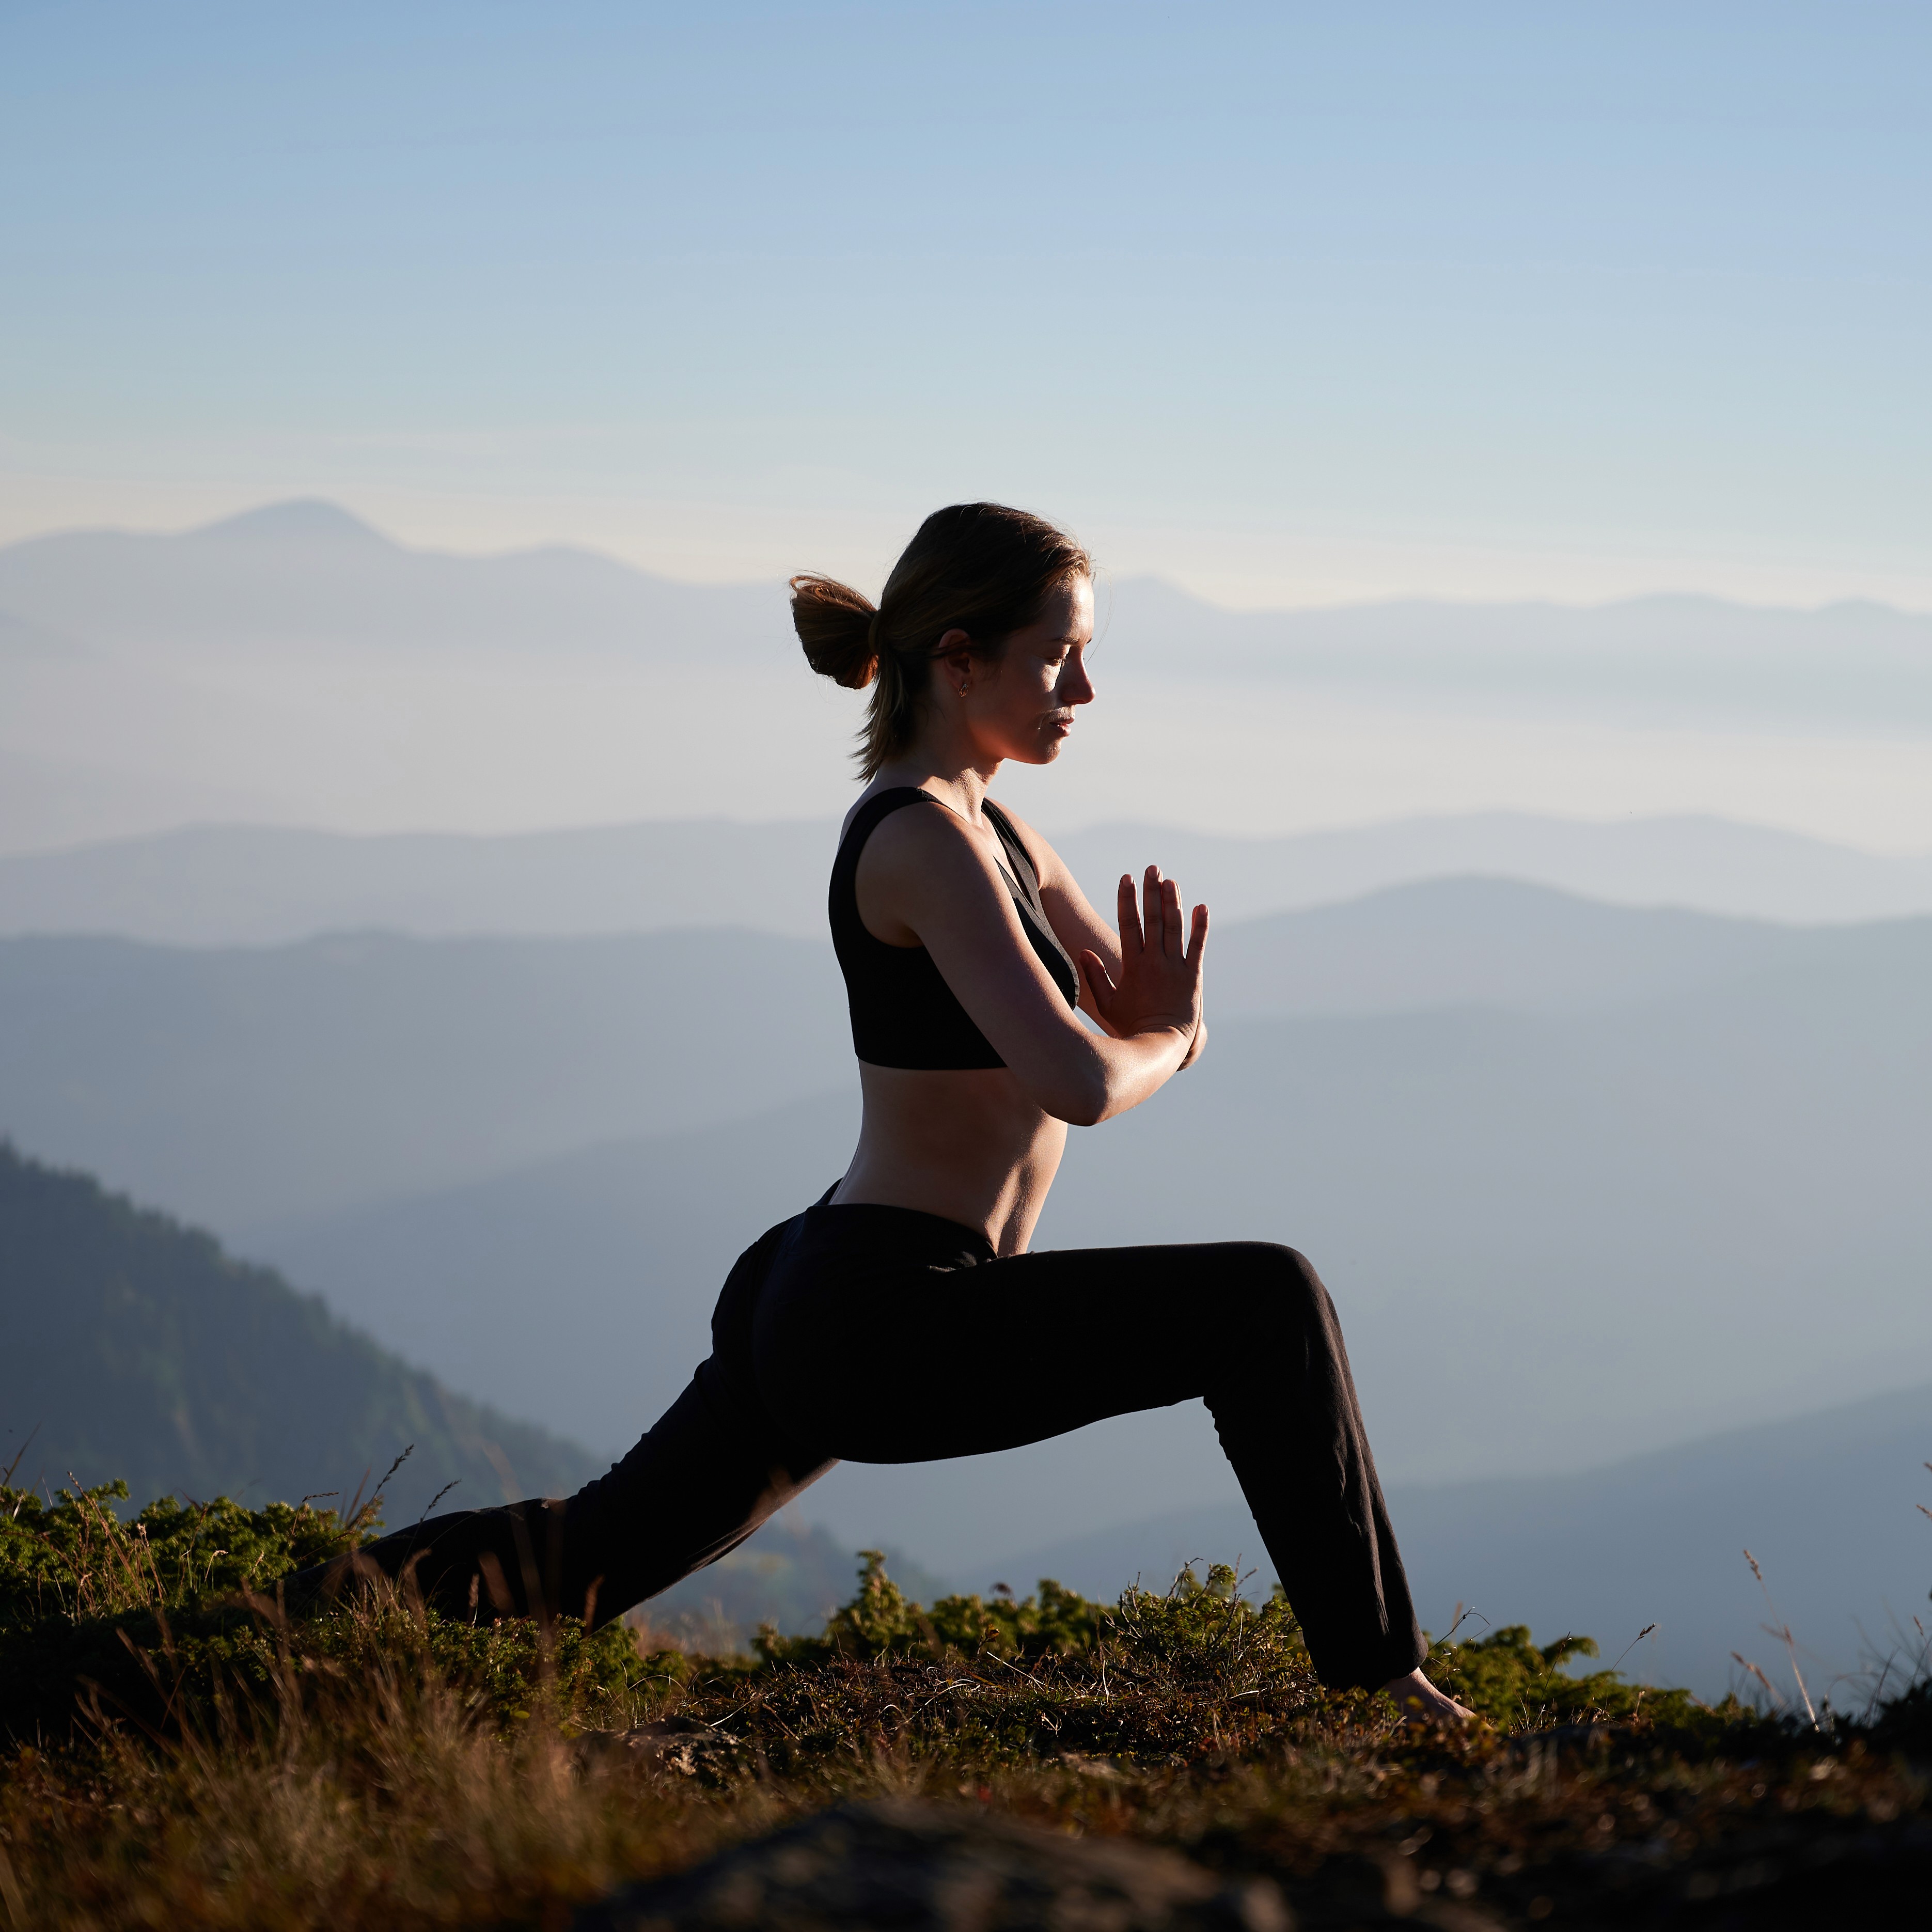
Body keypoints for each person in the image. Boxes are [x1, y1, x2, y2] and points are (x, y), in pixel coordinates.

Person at [294, 502, 1470, 1722]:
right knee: (1265, 1302)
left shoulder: (998, 828)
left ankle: (212, 1642)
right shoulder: (918, 842)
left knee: (583, 1561)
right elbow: (1085, 1075)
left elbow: (1116, 1025)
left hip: (848, 1282)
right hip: (884, 1313)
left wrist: (1158, 1027)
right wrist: (1167, 1034)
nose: (1081, 687)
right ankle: (1386, 1681)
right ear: (957, 660)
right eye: (1054, 654)